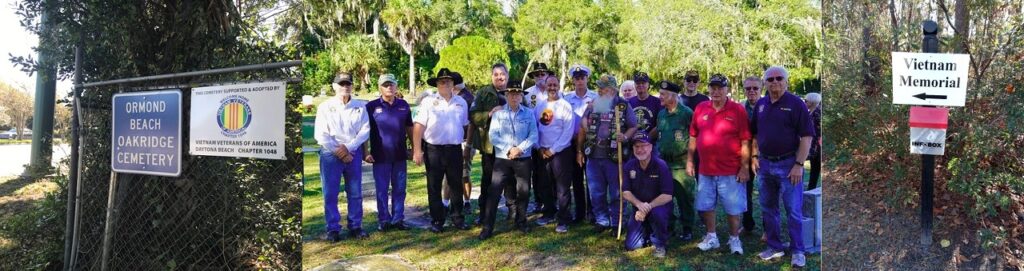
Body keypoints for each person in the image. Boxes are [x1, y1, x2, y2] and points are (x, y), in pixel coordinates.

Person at [751, 66, 814, 267]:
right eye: (770, 79)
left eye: (779, 78)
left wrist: (798, 164)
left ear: (786, 81)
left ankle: (798, 250)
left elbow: (807, 136)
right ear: (765, 83)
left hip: (789, 164)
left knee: (793, 209)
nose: (775, 82)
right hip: (765, 164)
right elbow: (754, 134)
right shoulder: (760, 105)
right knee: (768, 208)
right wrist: (754, 156)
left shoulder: (796, 104)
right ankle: (774, 246)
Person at [687, 74, 751, 255]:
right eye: (712, 88)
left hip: (731, 169)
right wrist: (690, 160)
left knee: (733, 207)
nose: (715, 92)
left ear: (726, 90)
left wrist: (744, 167)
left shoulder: (737, 110)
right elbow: (693, 135)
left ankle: (734, 239)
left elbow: (745, 140)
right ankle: (711, 237)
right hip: (705, 169)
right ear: (708, 89)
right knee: (707, 205)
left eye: (719, 88)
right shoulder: (700, 108)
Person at [413, 68, 471, 233]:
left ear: (453, 83)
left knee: (456, 185)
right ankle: (437, 220)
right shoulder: (428, 102)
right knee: (434, 186)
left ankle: (458, 218)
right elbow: (418, 126)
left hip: (454, 149)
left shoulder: (461, 102)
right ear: (437, 84)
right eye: (442, 81)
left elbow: (466, 125)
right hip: (434, 149)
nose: (445, 83)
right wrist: (417, 150)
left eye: (448, 81)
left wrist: (468, 146)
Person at [578, 74, 638, 232]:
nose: (598, 90)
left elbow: (633, 126)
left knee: (617, 192)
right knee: (596, 191)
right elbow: (583, 119)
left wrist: (625, 136)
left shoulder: (623, 105)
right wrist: (587, 127)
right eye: (598, 87)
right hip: (594, 155)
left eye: (602, 88)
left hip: (614, 156)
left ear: (611, 90)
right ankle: (602, 220)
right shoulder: (593, 104)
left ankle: (616, 221)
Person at [315, 72, 371, 241]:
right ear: (334, 87)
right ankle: (333, 228)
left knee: (355, 192)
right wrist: (338, 150)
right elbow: (321, 134)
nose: (345, 87)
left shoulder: (360, 106)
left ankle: (355, 226)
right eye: (341, 84)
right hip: (330, 154)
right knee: (330, 193)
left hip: (353, 152)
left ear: (352, 86)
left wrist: (349, 148)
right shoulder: (325, 106)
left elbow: (365, 130)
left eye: (348, 84)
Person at [479, 85, 538, 240]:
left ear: (521, 96)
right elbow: (493, 135)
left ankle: (521, 221)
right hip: (503, 159)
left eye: (517, 94)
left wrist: (519, 148)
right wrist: (509, 149)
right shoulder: (499, 114)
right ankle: (487, 227)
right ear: (506, 95)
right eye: (511, 94)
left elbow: (533, 135)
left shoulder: (529, 113)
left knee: (523, 191)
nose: (514, 97)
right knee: (494, 192)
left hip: (523, 157)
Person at [365, 74, 413, 232]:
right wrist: (366, 152)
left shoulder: (403, 105)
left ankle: (398, 218)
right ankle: (384, 220)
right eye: (385, 85)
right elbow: (365, 131)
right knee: (382, 190)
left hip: (400, 155)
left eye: (391, 84)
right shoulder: (371, 107)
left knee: (400, 189)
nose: (389, 87)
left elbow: (409, 128)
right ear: (380, 87)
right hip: (380, 156)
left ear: (396, 86)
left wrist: (414, 148)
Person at [649, 80, 696, 241]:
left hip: (682, 165)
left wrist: (691, 161)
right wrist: (643, 138)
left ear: (673, 96)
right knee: (664, 197)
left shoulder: (686, 113)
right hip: (664, 164)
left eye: (663, 95)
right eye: (660, 94)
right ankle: (669, 225)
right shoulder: (661, 114)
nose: (659, 97)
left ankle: (687, 228)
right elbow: (657, 132)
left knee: (685, 198)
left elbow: (695, 137)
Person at [533, 76, 577, 232]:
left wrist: (553, 149)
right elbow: (535, 129)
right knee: (544, 185)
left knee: (562, 187)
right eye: (549, 84)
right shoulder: (539, 106)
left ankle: (564, 218)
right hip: (542, 152)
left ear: (559, 86)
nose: (552, 87)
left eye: (554, 85)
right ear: (545, 86)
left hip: (560, 152)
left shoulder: (565, 106)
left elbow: (568, 132)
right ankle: (548, 212)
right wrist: (539, 148)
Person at [622, 133, 674, 258]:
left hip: (659, 207)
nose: (640, 150)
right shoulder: (629, 165)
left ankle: (660, 243)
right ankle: (649, 230)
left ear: (651, 147)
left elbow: (667, 195)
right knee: (632, 246)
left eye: (644, 146)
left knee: (658, 214)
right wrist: (639, 205)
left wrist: (647, 207)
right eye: (636, 146)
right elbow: (625, 192)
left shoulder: (661, 165)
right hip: (639, 208)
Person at [563, 64, 598, 224]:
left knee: (592, 178)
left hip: (591, 143)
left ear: (587, 78)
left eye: (582, 78)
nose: (580, 81)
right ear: (573, 80)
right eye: (577, 78)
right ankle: (579, 212)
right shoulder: (566, 98)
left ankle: (592, 212)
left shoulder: (596, 97)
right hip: (572, 143)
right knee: (576, 179)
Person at [442, 72, 475, 215]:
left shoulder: (465, 99)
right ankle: (448, 203)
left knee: (462, 175)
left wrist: (468, 145)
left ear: (454, 85)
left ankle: (463, 203)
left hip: (463, 142)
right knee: (456, 175)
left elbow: (471, 124)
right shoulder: (466, 96)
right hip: (451, 142)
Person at [524, 63, 553, 215]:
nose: (540, 77)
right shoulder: (527, 94)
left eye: (543, 74)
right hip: (533, 140)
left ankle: (552, 200)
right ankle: (538, 201)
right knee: (536, 173)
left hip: (551, 140)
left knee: (550, 172)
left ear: (548, 75)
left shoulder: (554, 92)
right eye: (537, 75)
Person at [741, 76, 764, 234]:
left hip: (764, 156)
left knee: (766, 193)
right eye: (748, 88)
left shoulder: (768, 106)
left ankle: (767, 229)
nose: (752, 91)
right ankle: (748, 224)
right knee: (745, 192)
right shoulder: (741, 108)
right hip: (744, 155)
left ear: (761, 89)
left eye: (755, 88)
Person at [628, 72, 661, 137]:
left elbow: (660, 124)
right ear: (634, 85)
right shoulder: (629, 102)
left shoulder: (657, 102)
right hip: (633, 142)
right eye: (638, 83)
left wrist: (647, 138)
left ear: (648, 84)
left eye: (643, 83)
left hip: (651, 142)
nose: (640, 85)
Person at [804, 92, 822, 189]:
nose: (804, 102)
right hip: (813, 144)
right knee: (814, 168)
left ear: (811, 102)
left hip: (817, 145)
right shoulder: (811, 111)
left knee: (815, 168)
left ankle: (812, 189)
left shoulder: (817, 112)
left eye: (806, 100)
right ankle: (811, 188)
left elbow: (818, 131)